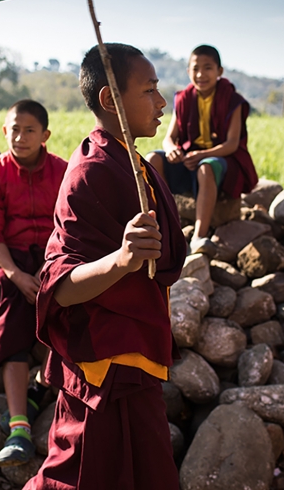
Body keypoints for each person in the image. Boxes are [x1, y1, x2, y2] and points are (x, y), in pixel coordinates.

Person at [24, 44, 187, 490]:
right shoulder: (91, 171)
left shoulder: (133, 163)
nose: (161, 103)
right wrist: (121, 259)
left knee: (146, 475)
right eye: (150, 90)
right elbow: (59, 286)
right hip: (103, 365)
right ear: (111, 100)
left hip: (135, 354)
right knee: (79, 477)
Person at [0, 99, 68, 467]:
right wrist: (14, 273)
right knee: (11, 314)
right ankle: (19, 429)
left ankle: (40, 390)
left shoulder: (62, 171)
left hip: (53, 257)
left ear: (45, 135)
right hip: (11, 259)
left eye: (30, 130)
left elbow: (71, 224)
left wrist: (51, 270)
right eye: (14, 129)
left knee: (64, 317)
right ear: (3, 131)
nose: (20, 136)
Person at [145, 44, 258, 256]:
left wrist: (203, 155)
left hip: (220, 161)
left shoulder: (233, 101)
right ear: (188, 71)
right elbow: (170, 139)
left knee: (206, 168)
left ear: (219, 72)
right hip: (190, 159)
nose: (200, 74)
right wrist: (172, 150)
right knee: (153, 158)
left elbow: (232, 144)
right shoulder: (184, 99)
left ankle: (198, 236)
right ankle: (169, 223)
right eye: (195, 68)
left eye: (208, 68)